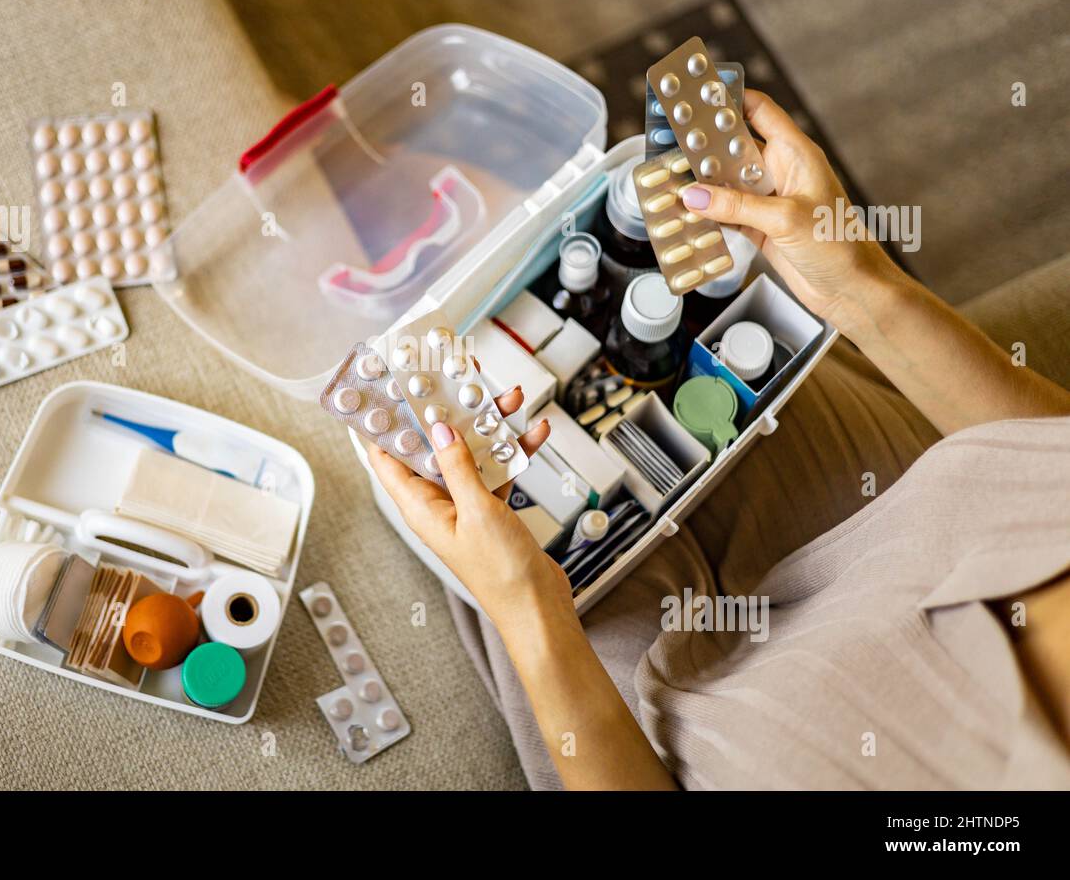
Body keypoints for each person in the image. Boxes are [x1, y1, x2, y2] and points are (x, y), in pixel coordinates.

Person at [366, 90, 1070, 790]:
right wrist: (858, 287)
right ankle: (361, 157)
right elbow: (1044, 451)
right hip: (896, 514)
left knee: (457, 498)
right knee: (509, 258)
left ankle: (362, 179)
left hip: (671, 712)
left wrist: (525, 601)